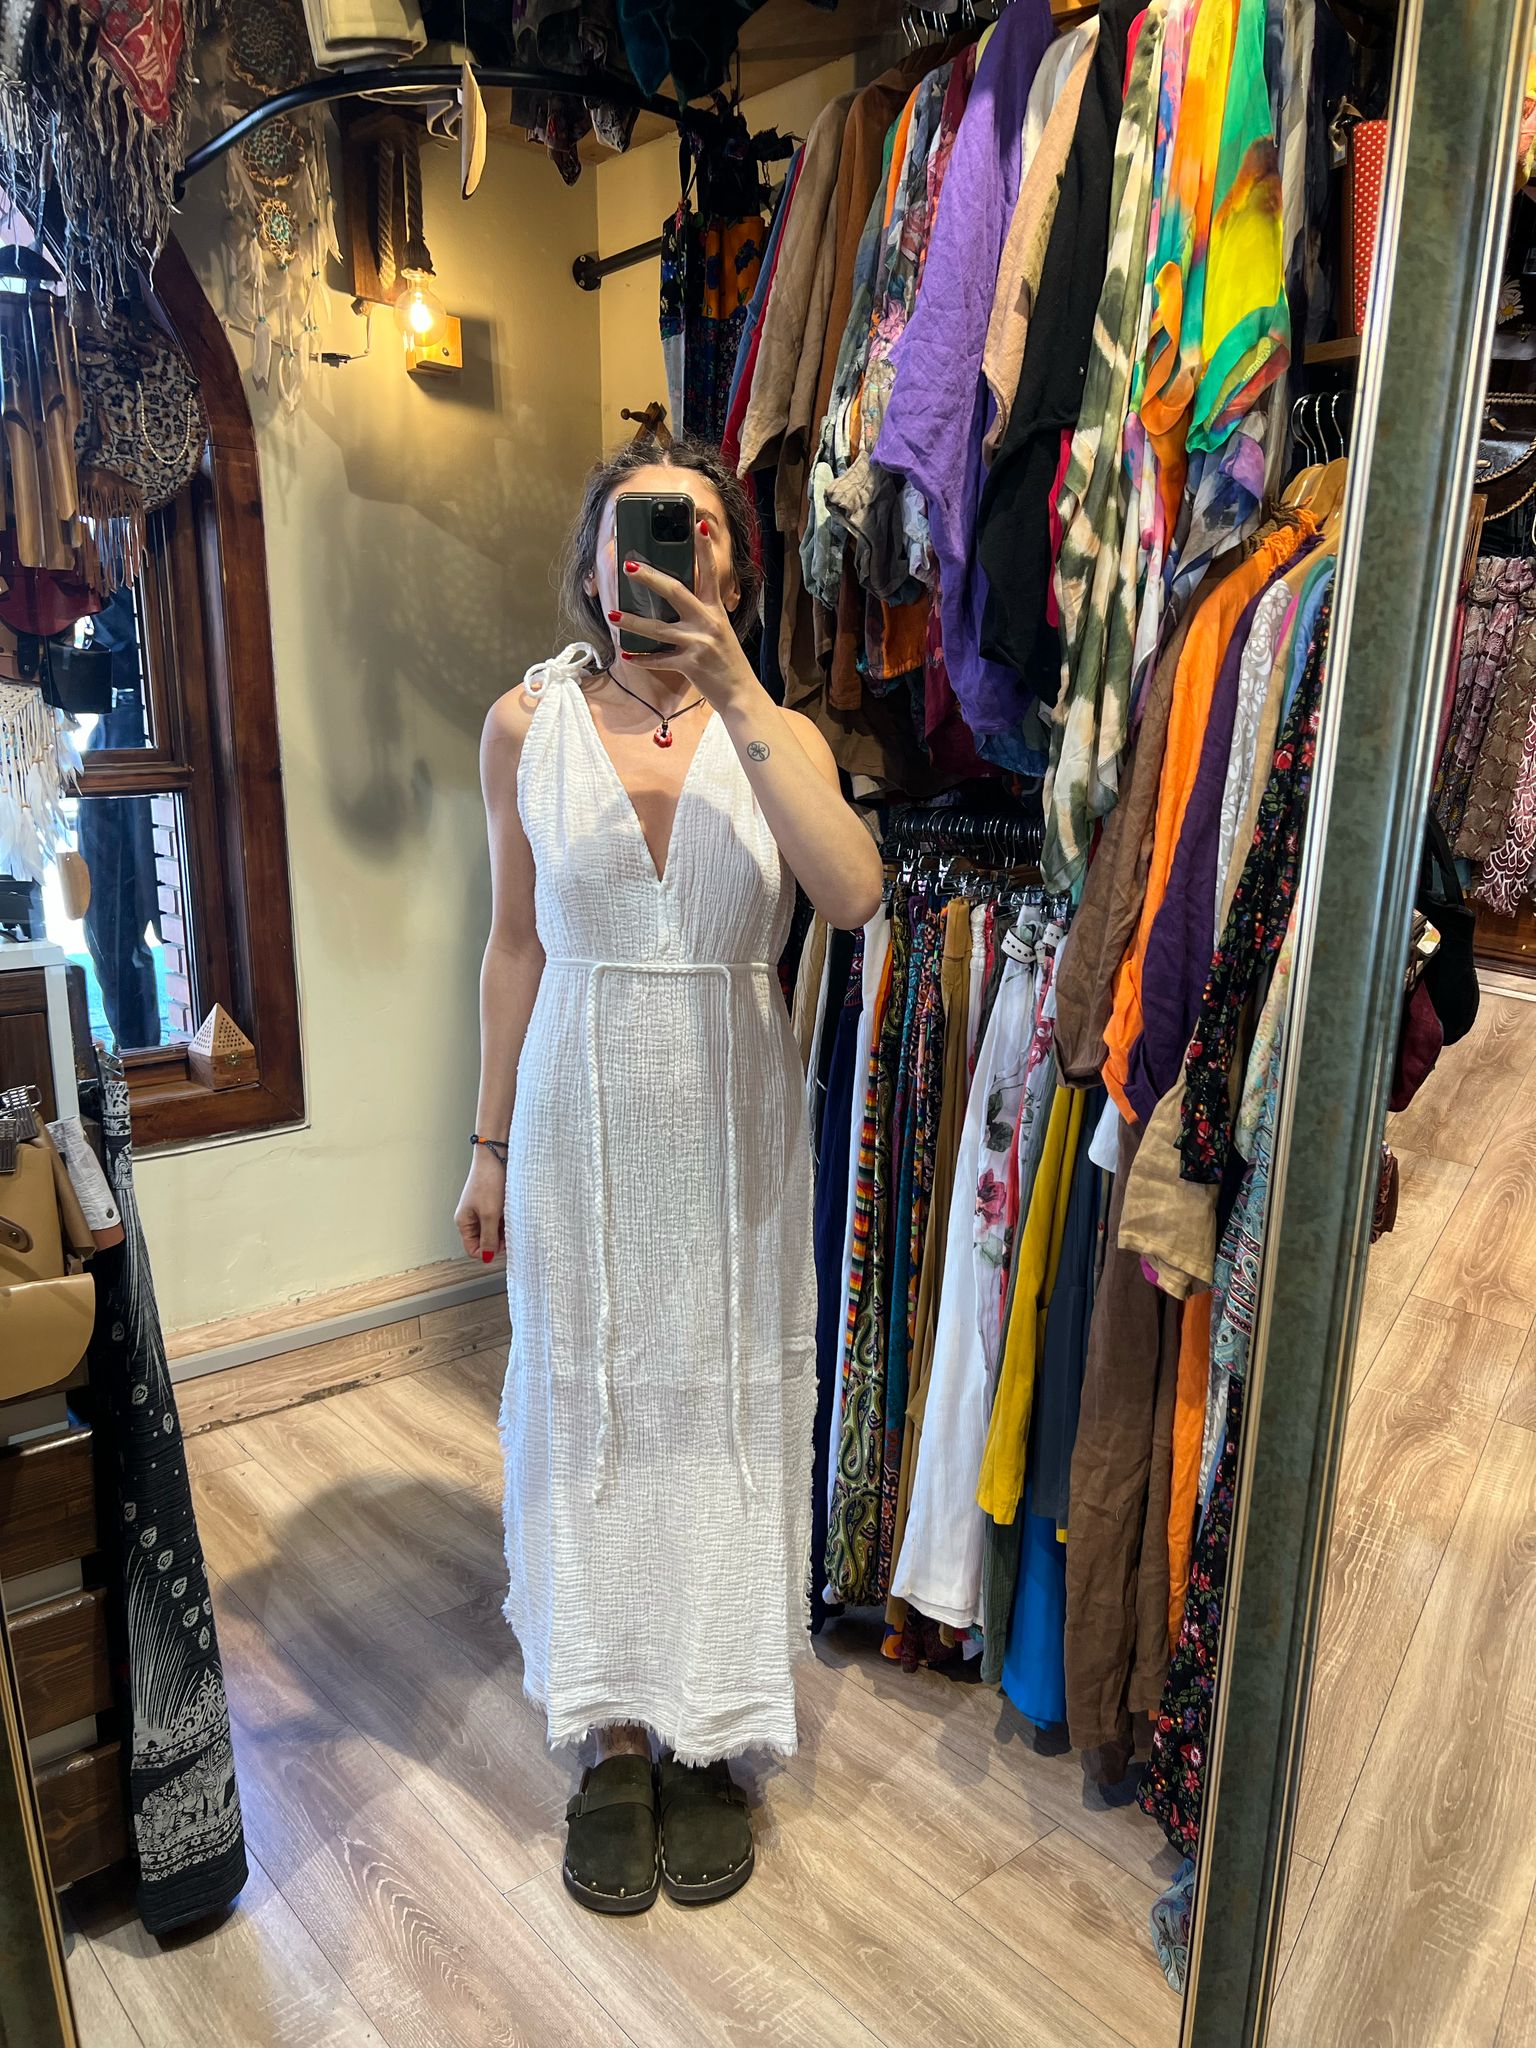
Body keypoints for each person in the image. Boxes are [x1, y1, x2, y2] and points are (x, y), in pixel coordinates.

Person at [455, 437, 883, 1915]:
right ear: (595, 563)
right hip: (576, 1114)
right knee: (595, 1399)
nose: (666, 550)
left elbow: (853, 893)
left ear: (735, 571)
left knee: (720, 1403)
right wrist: (486, 1146)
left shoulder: (780, 731)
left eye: (698, 529)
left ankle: (709, 1721)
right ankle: (614, 1732)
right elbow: (512, 947)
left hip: (731, 1126)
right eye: (640, 527)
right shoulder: (524, 725)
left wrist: (744, 693)